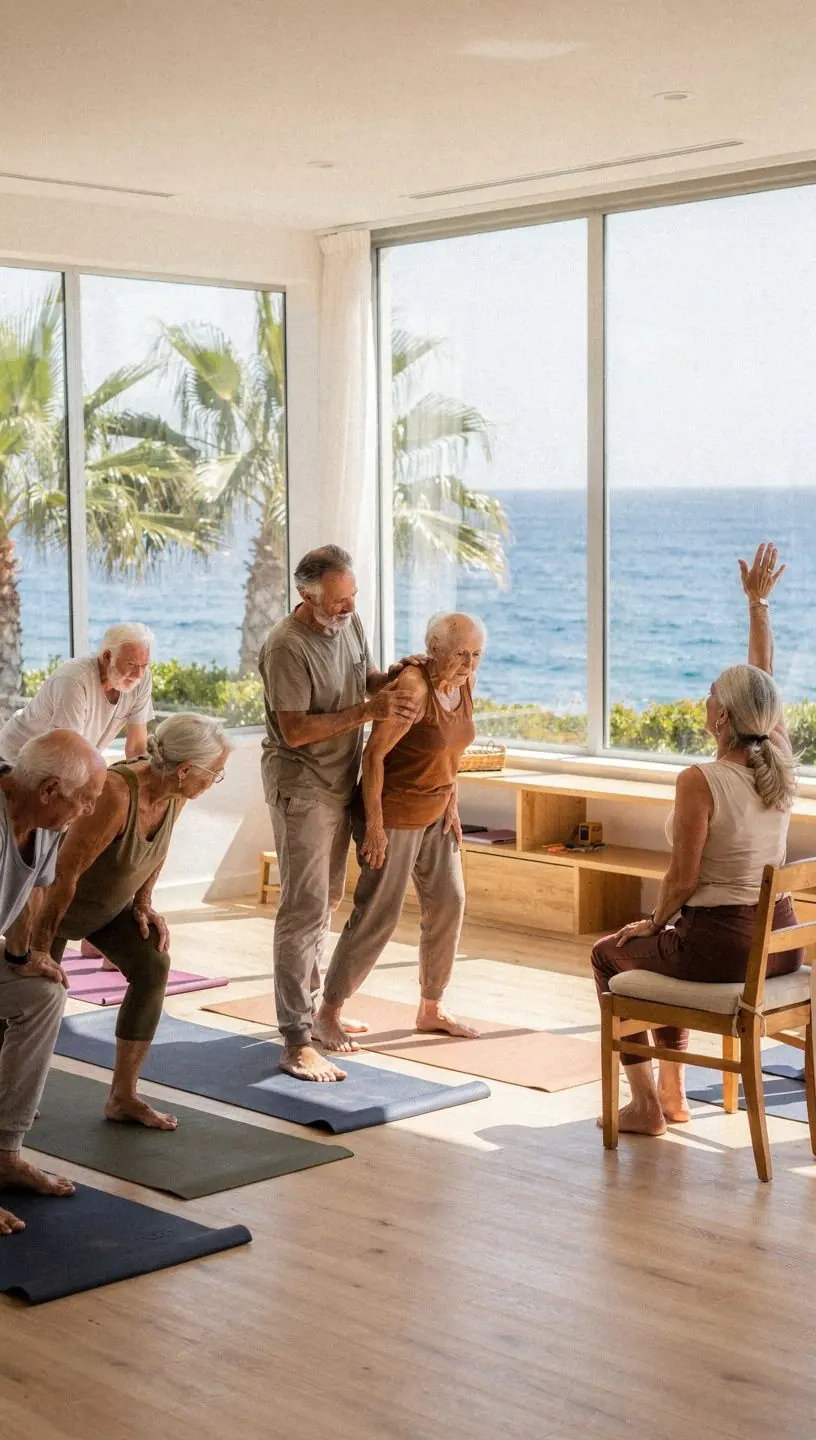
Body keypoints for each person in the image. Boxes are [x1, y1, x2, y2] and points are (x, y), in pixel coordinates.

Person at [591, 542, 803, 1137]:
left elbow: (682, 881)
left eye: (711, 694)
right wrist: (758, 607)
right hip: (782, 943)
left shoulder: (700, 780)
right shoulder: (779, 759)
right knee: (668, 944)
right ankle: (673, 1089)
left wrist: (651, 922)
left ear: (723, 717)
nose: (704, 699)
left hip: (725, 946)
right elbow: (764, 680)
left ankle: (648, 1105)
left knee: (613, 953)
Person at [259, 543, 424, 1082]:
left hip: (339, 780)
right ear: (306, 595)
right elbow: (295, 730)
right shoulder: (286, 646)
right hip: (301, 786)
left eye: (352, 597)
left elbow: (361, 677)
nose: (348, 607)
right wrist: (369, 709)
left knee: (325, 901)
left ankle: (310, 1016)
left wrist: (388, 679)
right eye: (337, 601)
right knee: (303, 909)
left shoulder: (348, 620)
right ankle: (295, 1040)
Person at [30, 714, 232, 1131]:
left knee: (152, 963)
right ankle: (9, 1096)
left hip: (104, 907)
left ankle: (123, 1097)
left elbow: (158, 849)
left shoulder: (176, 793)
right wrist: (40, 948)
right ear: (185, 769)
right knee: (32, 996)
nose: (216, 781)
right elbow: (63, 875)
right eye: (215, 773)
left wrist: (143, 902)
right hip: (50, 905)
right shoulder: (117, 794)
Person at [314, 612, 485, 1057]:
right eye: (460, 654)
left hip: (437, 810)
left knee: (449, 902)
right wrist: (374, 826)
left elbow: (452, 750)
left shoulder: (465, 681)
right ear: (434, 649)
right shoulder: (414, 686)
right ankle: (327, 1012)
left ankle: (431, 1006)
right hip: (393, 812)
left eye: (476, 654)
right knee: (379, 914)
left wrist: (452, 801)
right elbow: (374, 757)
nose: (469, 663)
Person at [0, 731, 107, 1237]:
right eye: (85, 799)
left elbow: (33, 891)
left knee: (43, 995)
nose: (88, 810)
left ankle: (5, 1152)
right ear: (48, 790)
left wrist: (23, 955)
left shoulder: (46, 822)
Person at [0, 622, 155, 763]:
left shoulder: (142, 679)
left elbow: (136, 748)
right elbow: (69, 753)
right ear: (107, 656)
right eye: (131, 664)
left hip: (60, 759)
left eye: (144, 664)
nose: (139, 674)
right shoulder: (74, 680)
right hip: (15, 757)